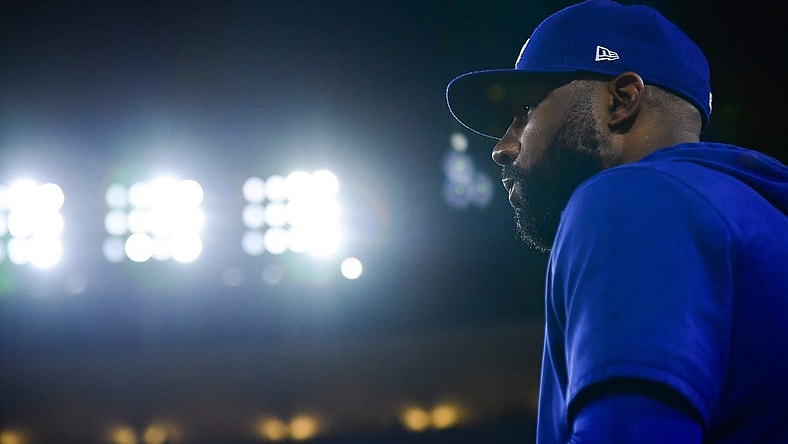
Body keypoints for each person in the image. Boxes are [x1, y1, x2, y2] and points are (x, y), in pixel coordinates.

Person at [445, 1, 788, 443]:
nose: (502, 147)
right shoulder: (757, 212)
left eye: (526, 110)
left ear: (622, 100)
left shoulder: (632, 199)